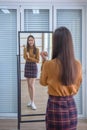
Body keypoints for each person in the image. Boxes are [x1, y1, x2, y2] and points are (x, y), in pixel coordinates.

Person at [40, 27, 82, 130]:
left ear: (56, 44)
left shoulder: (49, 64)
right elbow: (76, 88)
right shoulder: (77, 64)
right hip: (71, 105)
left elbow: (42, 82)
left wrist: (44, 62)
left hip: (54, 106)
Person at [23, 35, 40, 110]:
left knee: (31, 85)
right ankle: (31, 100)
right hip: (27, 66)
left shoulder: (37, 49)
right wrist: (29, 57)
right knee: (28, 85)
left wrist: (29, 57)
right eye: (29, 40)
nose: (30, 41)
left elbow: (37, 60)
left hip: (33, 67)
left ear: (34, 41)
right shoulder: (25, 49)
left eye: (32, 40)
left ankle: (33, 102)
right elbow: (25, 57)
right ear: (27, 41)